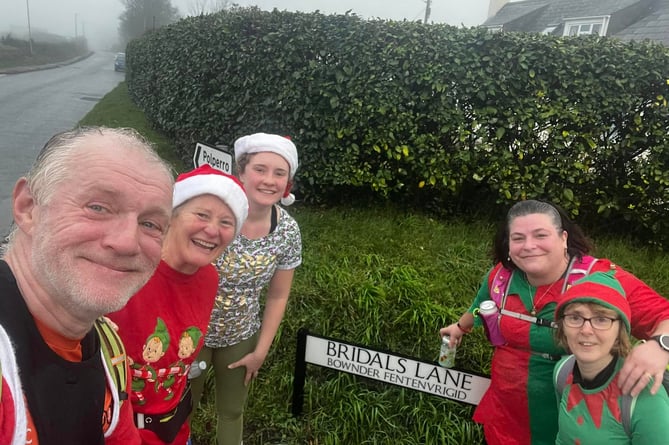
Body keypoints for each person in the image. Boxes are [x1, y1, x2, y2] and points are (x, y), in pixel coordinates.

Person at [439, 199, 669, 445]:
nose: (529, 246)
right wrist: (460, 327)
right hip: (505, 415)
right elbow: (480, 304)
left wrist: (660, 345)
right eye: (518, 238)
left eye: (541, 235)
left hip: (573, 421)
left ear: (563, 238)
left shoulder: (599, 279)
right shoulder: (501, 277)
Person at [0, 126, 175, 445]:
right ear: (28, 207)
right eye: (98, 207)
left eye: (150, 223)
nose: (126, 243)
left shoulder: (109, 348)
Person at [107, 164, 249, 445]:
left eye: (226, 222)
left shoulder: (208, 278)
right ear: (172, 215)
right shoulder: (128, 269)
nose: (212, 230)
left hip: (174, 431)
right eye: (201, 215)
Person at [190, 132, 302, 445]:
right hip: (191, 333)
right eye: (260, 169)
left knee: (231, 412)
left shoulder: (288, 231)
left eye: (279, 173)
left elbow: (278, 295)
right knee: (180, 410)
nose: (269, 180)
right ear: (241, 173)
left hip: (240, 335)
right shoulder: (215, 216)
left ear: (287, 181)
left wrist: (261, 351)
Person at [553, 271, 669, 444]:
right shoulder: (562, 372)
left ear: (620, 330)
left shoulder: (645, 396)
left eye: (601, 319)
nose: (586, 330)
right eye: (575, 317)